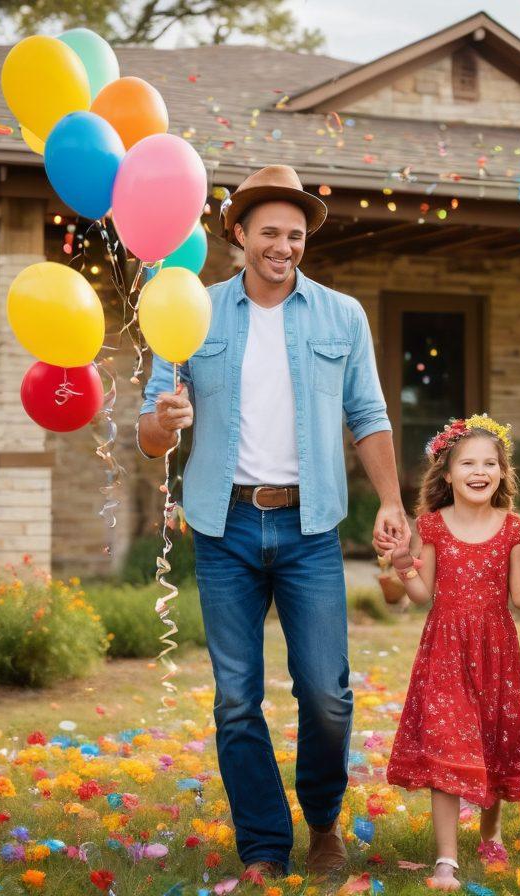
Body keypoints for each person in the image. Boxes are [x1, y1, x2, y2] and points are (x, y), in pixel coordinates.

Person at [137, 165, 409, 880]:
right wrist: (164, 424)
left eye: (295, 234)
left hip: (310, 526)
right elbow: (149, 434)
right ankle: (262, 843)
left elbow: (368, 416)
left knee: (325, 691)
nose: (283, 245)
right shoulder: (191, 312)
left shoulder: (342, 316)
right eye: (269, 233)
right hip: (224, 527)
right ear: (239, 234)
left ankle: (322, 823)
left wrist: (390, 500)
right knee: (237, 698)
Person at [375, 415, 520, 891]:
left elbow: (519, 597)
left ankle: (490, 829)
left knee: (492, 743)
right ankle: (446, 860)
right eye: (468, 463)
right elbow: (421, 594)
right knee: (448, 743)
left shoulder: (513, 529)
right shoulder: (433, 526)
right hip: (445, 651)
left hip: (496, 650)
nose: (480, 471)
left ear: (502, 472)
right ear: (448, 474)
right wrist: (401, 564)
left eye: (490, 463)